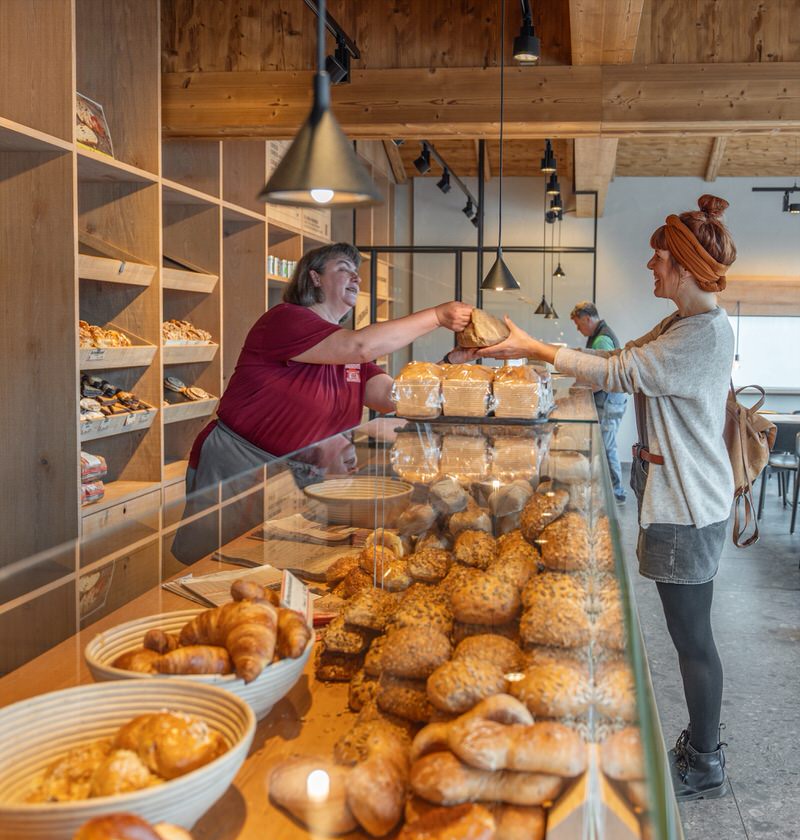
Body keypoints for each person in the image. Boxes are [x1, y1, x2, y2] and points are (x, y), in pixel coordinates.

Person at [471, 195, 737, 802]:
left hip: (687, 506)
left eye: (660, 260)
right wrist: (544, 351)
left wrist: (534, 349)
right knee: (689, 634)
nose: (652, 268)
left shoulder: (700, 336)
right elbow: (617, 357)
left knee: (692, 638)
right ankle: (703, 748)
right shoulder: (682, 324)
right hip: (681, 497)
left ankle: (705, 759)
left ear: (689, 270)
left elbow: (620, 373)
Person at [185, 242, 472, 493]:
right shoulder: (286, 319)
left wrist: (450, 364)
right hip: (243, 462)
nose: (357, 277)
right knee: (223, 555)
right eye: (344, 268)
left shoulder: (344, 349)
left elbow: (392, 397)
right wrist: (436, 316)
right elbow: (360, 347)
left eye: (357, 272)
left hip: (301, 471)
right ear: (315, 277)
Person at [570, 302, 628, 504]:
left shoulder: (602, 340)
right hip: (609, 401)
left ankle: (616, 492)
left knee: (606, 445)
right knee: (605, 444)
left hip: (610, 402)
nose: (579, 329)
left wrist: (578, 390)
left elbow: (601, 379)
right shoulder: (597, 336)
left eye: (579, 325)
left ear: (587, 318)